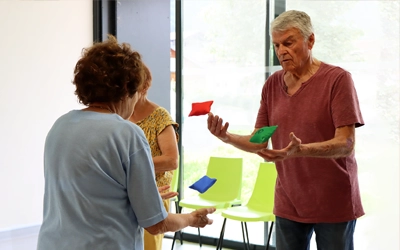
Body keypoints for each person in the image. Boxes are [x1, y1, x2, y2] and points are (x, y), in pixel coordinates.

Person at [37, 35, 215, 250]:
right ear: (127, 90)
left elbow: (87, 193)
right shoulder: (127, 133)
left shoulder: (60, 126)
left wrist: (139, 195)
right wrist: (191, 218)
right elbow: (157, 223)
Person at [207, 10, 364, 250]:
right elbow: (260, 140)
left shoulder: (338, 79)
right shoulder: (272, 85)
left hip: (333, 201)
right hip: (289, 201)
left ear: (310, 40)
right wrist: (226, 137)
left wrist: (299, 150)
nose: (281, 51)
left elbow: (346, 143)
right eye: (277, 45)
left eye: (288, 43)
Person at [129, 64, 179, 250]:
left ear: (144, 87)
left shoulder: (160, 117)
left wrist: (132, 165)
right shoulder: (120, 116)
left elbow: (171, 161)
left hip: (155, 193)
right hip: (127, 195)